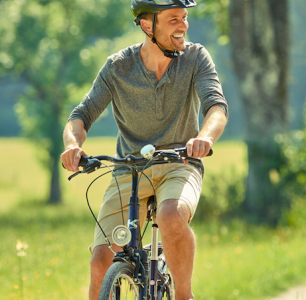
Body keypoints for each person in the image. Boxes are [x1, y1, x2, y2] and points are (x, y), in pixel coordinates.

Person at [59, 0, 228, 299]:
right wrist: (73, 145)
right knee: (100, 262)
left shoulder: (196, 57)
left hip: (180, 163)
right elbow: (81, 115)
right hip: (130, 169)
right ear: (148, 25)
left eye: (185, 17)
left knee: (171, 215)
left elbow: (216, 107)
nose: (184, 25)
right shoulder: (118, 67)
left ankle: (184, 295)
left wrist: (204, 137)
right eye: (174, 19)